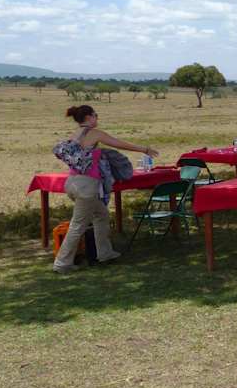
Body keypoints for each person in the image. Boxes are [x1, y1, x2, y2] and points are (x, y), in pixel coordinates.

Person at [54, 105, 159, 273]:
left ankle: (105, 253)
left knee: (101, 215)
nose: (97, 118)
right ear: (88, 117)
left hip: (73, 183)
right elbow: (119, 144)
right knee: (78, 225)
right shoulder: (95, 133)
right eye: (96, 115)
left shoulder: (74, 135)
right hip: (86, 186)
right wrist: (144, 149)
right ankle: (62, 263)